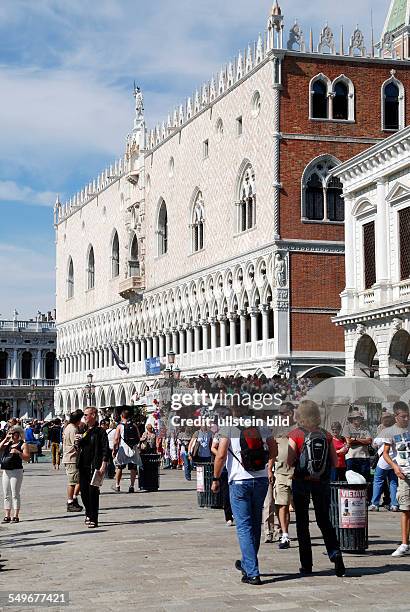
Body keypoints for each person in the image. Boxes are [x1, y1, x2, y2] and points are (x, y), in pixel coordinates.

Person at [212, 406, 277, 585]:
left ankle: (253, 571)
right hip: (261, 480)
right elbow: (274, 450)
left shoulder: (229, 427)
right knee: (255, 524)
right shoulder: (262, 425)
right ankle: (248, 564)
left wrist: (216, 478)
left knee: (244, 526)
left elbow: (221, 455)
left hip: (239, 481)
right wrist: (265, 464)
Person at [288, 400, 346, 577]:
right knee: (324, 520)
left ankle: (307, 565)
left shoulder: (295, 434)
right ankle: (335, 554)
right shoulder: (326, 435)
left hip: (301, 481)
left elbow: (289, 461)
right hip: (321, 482)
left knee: (302, 523)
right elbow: (335, 462)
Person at [381, 402, 410, 557]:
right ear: (396, 416)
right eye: (403, 416)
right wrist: (394, 466)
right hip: (404, 474)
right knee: (406, 509)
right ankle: (405, 543)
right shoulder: (390, 432)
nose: (406, 419)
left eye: (408, 416)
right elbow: (385, 453)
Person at [77, 407, 109, 528]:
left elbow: (105, 448)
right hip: (83, 465)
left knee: (93, 492)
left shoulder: (100, 431)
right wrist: (77, 442)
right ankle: (88, 512)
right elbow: (81, 447)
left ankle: (93, 517)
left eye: (86, 415)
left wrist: (103, 464)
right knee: (84, 492)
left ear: (93, 415)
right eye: (84, 415)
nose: (84, 417)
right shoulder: (83, 430)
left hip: (94, 465)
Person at [273, 403, 296, 550]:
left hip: (297, 472)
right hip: (280, 472)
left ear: (292, 413)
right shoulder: (276, 428)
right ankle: (285, 535)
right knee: (282, 505)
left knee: (300, 506)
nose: (282, 416)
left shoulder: (300, 428)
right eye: (280, 413)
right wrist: (269, 468)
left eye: (285, 413)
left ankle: (302, 531)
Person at [0, 425, 30, 522]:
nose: (12, 435)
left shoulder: (23, 444)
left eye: (14, 433)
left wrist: (18, 452)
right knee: (6, 493)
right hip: (6, 471)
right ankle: (7, 515)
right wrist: (5, 439)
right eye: (11, 433)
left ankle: (16, 515)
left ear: (19, 434)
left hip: (16, 471)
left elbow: (27, 458)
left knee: (15, 493)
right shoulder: (8, 444)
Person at [112, 410, 141, 493]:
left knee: (119, 467)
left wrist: (114, 450)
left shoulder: (120, 426)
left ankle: (117, 485)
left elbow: (116, 439)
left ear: (122, 416)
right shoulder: (134, 425)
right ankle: (131, 486)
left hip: (123, 448)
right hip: (133, 448)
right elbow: (138, 437)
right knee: (133, 468)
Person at [62, 409, 84, 513]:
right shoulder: (73, 429)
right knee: (73, 481)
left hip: (70, 457)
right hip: (72, 458)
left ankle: (74, 499)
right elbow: (76, 445)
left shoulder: (69, 427)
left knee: (77, 480)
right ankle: (70, 501)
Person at [211, 435, 234, 526]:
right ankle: (228, 516)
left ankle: (236, 513)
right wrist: (221, 454)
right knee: (226, 493)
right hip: (225, 467)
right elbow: (213, 447)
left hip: (238, 467)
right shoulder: (220, 434)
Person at [343, 410, 372, 482]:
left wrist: (355, 439)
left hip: (364, 457)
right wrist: (363, 441)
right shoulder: (347, 428)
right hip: (351, 457)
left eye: (358, 418)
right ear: (351, 419)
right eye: (355, 418)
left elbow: (369, 441)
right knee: (352, 479)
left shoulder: (365, 428)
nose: (357, 419)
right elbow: (349, 441)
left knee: (365, 479)